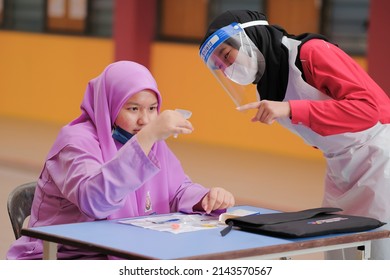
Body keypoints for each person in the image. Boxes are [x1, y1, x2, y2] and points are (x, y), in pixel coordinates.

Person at [199, 10, 390, 260]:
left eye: (226, 56)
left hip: (380, 156)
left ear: (250, 36)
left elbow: (368, 110)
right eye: (221, 66)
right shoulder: (268, 85)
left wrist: (291, 108)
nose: (227, 69)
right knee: (334, 250)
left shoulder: (311, 53)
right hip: (339, 165)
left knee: (378, 253)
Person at [6, 61, 235, 260]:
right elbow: (94, 201)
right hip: (66, 257)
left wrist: (205, 197)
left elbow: (176, 190)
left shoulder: (148, 141)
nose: (145, 120)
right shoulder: (75, 142)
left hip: (125, 252)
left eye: (153, 109)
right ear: (109, 105)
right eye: (133, 108)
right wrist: (148, 137)